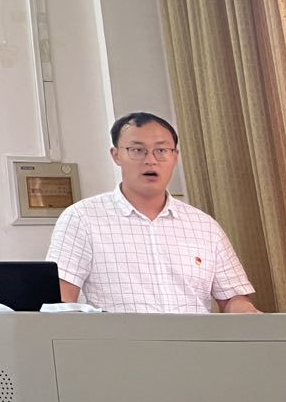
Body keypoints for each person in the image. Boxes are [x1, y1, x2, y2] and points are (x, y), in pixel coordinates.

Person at [46, 111, 261, 313]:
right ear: (116, 155)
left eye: (161, 150)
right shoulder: (82, 218)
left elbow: (233, 298)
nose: (150, 160)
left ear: (175, 156)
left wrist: (247, 313)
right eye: (137, 150)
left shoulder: (204, 226)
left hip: (195, 340)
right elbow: (61, 299)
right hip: (119, 341)